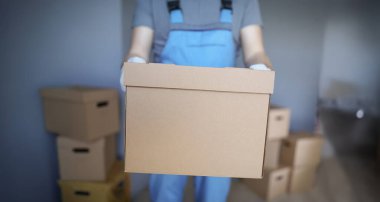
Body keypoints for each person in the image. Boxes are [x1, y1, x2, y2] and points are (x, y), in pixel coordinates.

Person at [121, 0, 273, 201]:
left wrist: (261, 70)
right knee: (165, 187)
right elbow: (138, 49)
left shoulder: (244, 2)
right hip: (167, 117)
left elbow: (255, 52)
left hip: (220, 117)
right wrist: (134, 65)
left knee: (214, 190)